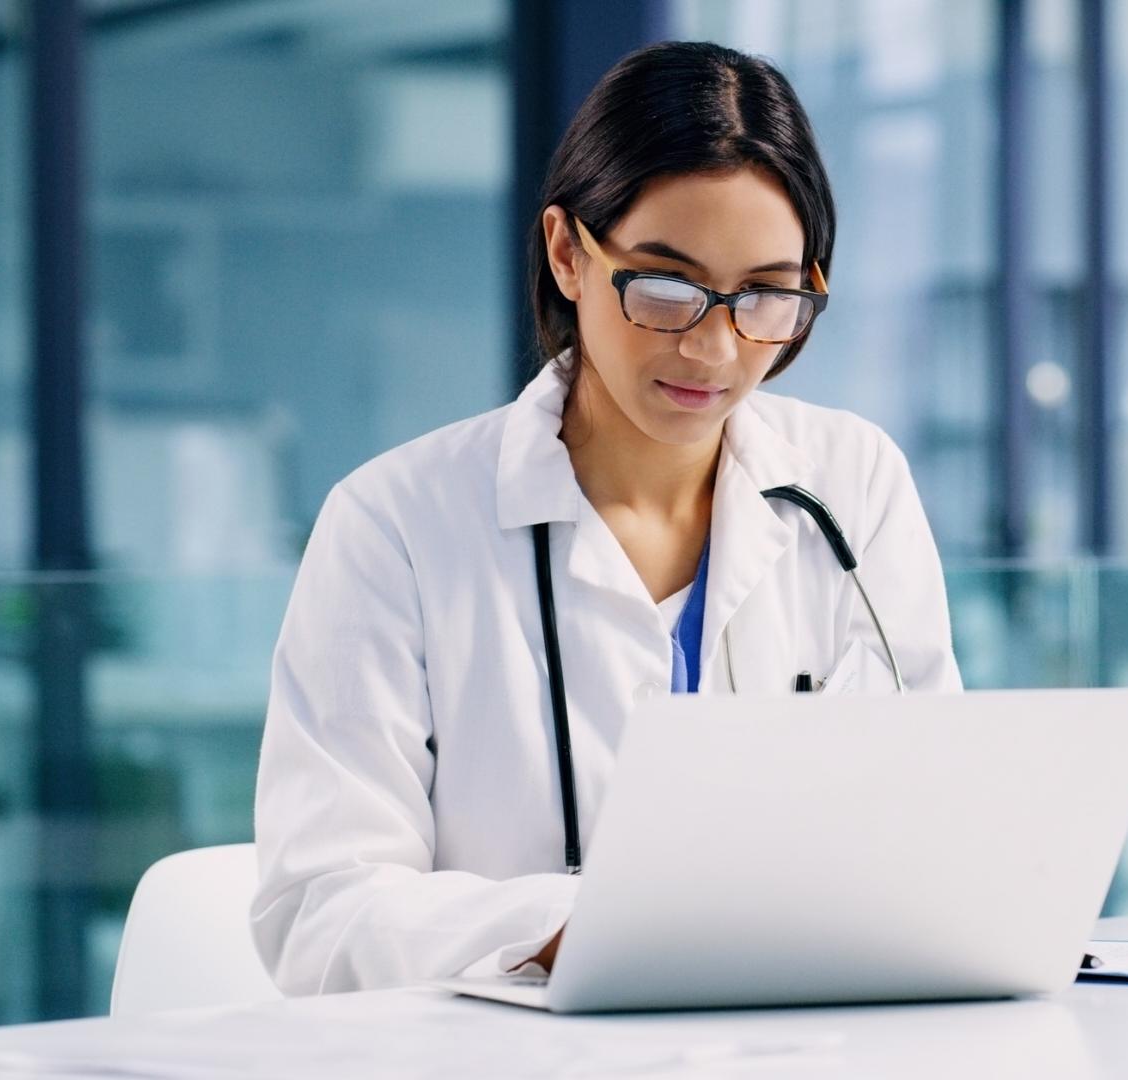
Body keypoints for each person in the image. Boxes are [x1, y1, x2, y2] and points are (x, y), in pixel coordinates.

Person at [249, 40, 962, 996]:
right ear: (567, 254)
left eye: (765, 296)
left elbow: (935, 818)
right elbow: (319, 911)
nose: (714, 347)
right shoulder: (395, 526)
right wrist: (574, 929)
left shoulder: (853, 483)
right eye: (666, 288)